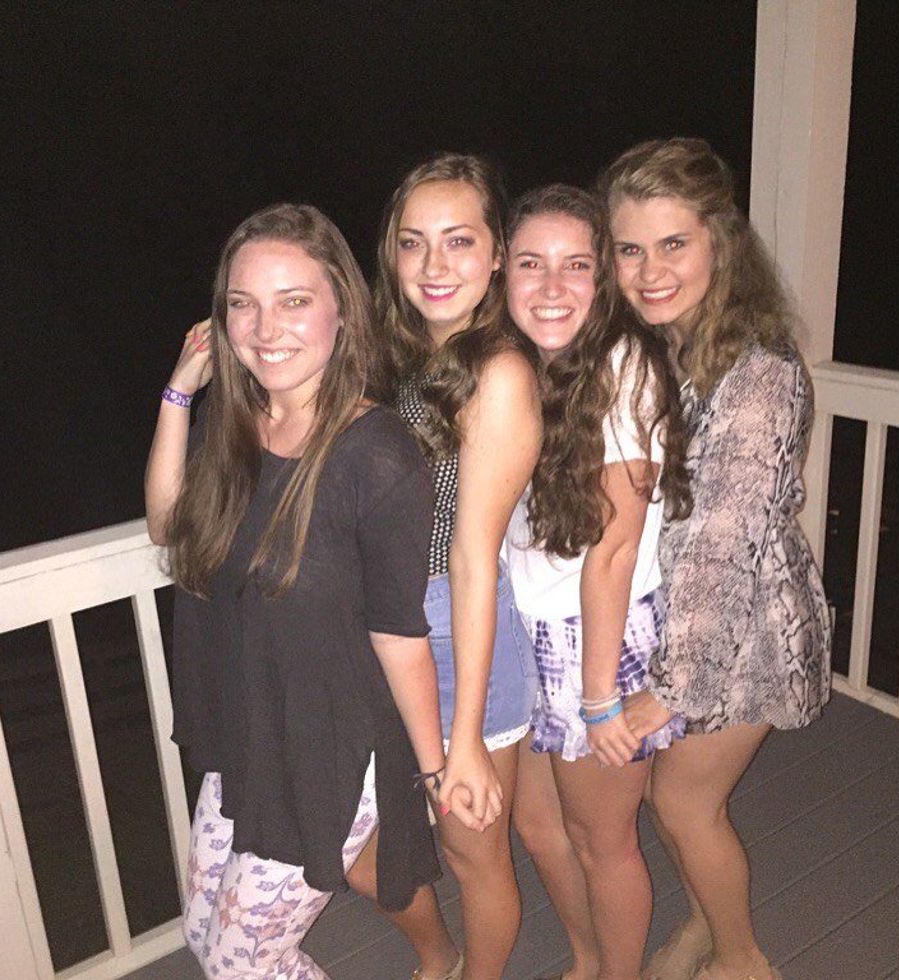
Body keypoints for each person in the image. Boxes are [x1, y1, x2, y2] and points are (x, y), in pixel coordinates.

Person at [144, 203, 446, 979]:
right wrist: (180, 390)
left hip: (330, 750)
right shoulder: (238, 423)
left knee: (244, 965)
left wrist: (438, 769)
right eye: (243, 304)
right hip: (250, 730)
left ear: (342, 310)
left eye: (294, 301)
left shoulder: (376, 455)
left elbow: (398, 632)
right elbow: (169, 524)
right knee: (206, 938)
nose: (265, 328)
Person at [600, 138, 833, 980]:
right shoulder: (671, 345)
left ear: (719, 242)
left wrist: (673, 688)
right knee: (676, 802)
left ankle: (741, 960)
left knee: (681, 801)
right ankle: (706, 923)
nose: (650, 270)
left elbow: (722, 547)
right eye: (630, 249)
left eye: (673, 243)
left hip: (749, 634)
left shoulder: (758, 374)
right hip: (694, 625)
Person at [346, 153, 542, 980]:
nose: (433, 264)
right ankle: (442, 957)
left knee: (474, 856)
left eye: (459, 241)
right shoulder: (399, 359)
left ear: (496, 254)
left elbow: (470, 559)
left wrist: (462, 741)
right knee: (360, 849)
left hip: (456, 641)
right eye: (413, 242)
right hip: (384, 633)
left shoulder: (497, 373)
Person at [503, 184, 689, 980]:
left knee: (601, 841)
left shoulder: (623, 367)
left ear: (604, 277)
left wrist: (601, 695)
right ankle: (587, 959)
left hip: (596, 641)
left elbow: (614, 550)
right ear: (503, 272)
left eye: (576, 265)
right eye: (531, 263)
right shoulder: (519, 363)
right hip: (528, 625)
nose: (552, 286)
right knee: (538, 825)